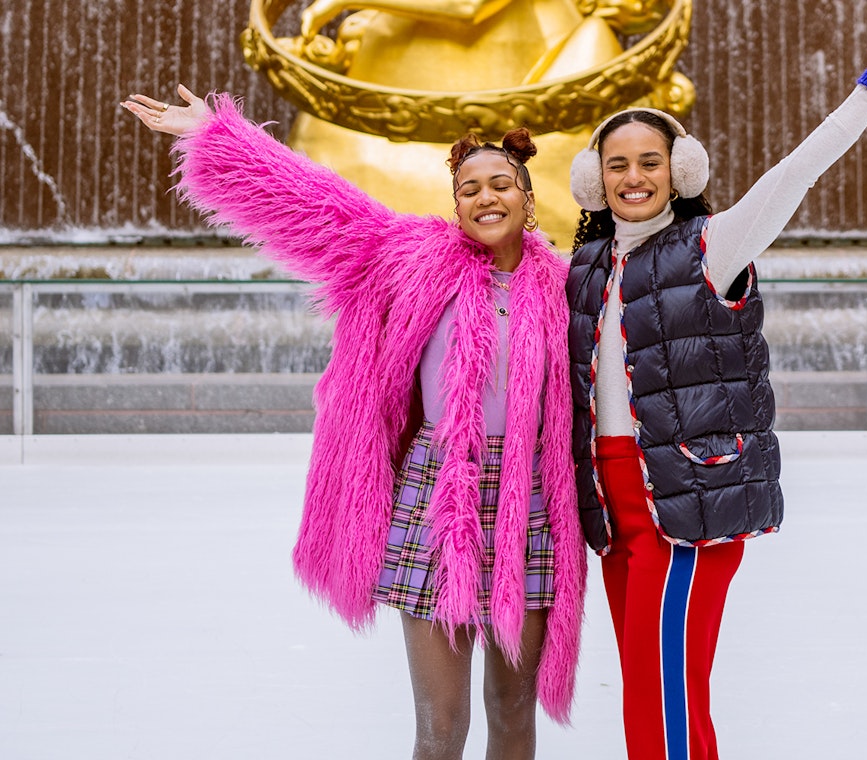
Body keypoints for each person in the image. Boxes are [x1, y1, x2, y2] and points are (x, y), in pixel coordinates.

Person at [122, 84, 585, 760]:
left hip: (532, 505)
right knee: (441, 722)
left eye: (500, 184)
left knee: (513, 713)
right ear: (455, 206)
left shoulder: (569, 286)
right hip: (435, 496)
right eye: (469, 189)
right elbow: (313, 208)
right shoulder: (411, 261)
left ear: (527, 196)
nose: (486, 197)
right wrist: (219, 137)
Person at [564, 13, 867, 760]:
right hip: (613, 512)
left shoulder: (714, 246)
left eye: (650, 161)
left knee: (667, 688)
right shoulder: (584, 267)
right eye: (617, 165)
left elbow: (797, 170)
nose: (634, 178)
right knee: (649, 685)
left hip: (688, 502)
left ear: (680, 171)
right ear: (594, 178)